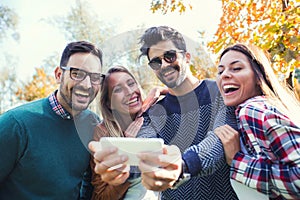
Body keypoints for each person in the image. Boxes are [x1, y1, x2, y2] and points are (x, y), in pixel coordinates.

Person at [89, 26, 239, 199]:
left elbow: (219, 142)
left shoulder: (221, 93)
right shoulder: (153, 114)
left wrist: (182, 166)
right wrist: (124, 166)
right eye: (156, 62)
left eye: (170, 56)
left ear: (187, 56)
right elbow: (146, 144)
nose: (165, 65)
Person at [0, 41, 103, 199]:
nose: (87, 85)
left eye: (95, 77)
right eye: (77, 73)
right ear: (58, 75)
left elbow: (88, 184)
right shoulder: (15, 124)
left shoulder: (93, 125)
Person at [214, 43, 300, 199]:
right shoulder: (270, 106)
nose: (224, 75)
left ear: (258, 76)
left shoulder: (252, 110)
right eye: (220, 71)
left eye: (236, 68)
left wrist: (237, 160)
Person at [90, 65, 166, 199]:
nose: (130, 92)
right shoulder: (102, 134)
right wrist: (126, 150)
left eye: (131, 84)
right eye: (118, 89)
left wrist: (159, 89)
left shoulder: (151, 117)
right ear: (109, 103)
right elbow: (100, 196)